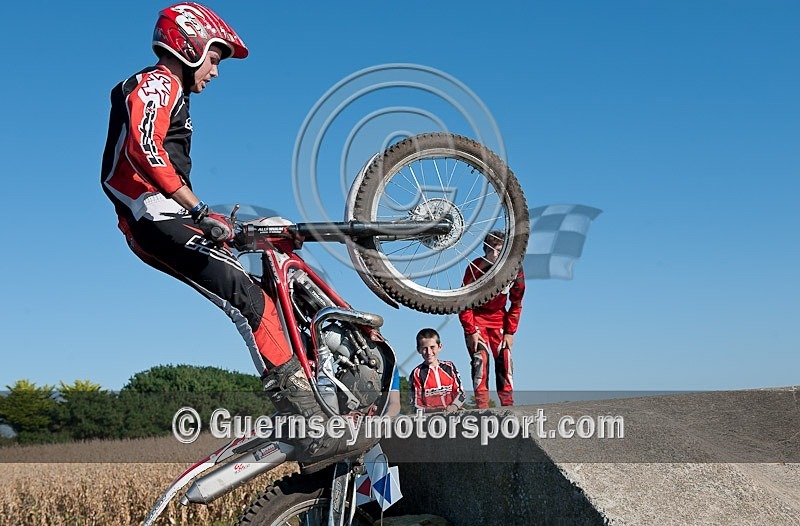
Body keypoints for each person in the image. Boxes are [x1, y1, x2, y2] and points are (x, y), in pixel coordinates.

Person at [100, 2, 373, 470]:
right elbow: (143, 149)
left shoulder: (167, 91)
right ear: (188, 45)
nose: (215, 71)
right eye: (214, 58)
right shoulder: (157, 82)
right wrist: (199, 208)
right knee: (247, 299)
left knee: (266, 277)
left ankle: (327, 378)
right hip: (155, 217)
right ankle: (304, 419)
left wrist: (209, 217)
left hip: (164, 216)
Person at [458, 231, 525, 408]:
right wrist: (470, 330)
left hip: (499, 320)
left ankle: (508, 407)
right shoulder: (475, 268)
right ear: (485, 252)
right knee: (481, 358)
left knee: (504, 357)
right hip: (476, 318)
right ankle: (482, 408)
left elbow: (516, 303)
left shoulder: (514, 270)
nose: (494, 256)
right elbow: (462, 303)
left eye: (499, 251)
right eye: (490, 251)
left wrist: (510, 332)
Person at [409, 328, 466, 413]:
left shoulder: (449, 367)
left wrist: (454, 406)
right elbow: (416, 404)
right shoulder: (417, 373)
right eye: (425, 348)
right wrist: (437, 410)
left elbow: (461, 393)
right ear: (419, 350)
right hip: (431, 420)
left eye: (432, 347)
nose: (429, 352)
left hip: (454, 415)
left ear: (439, 347)